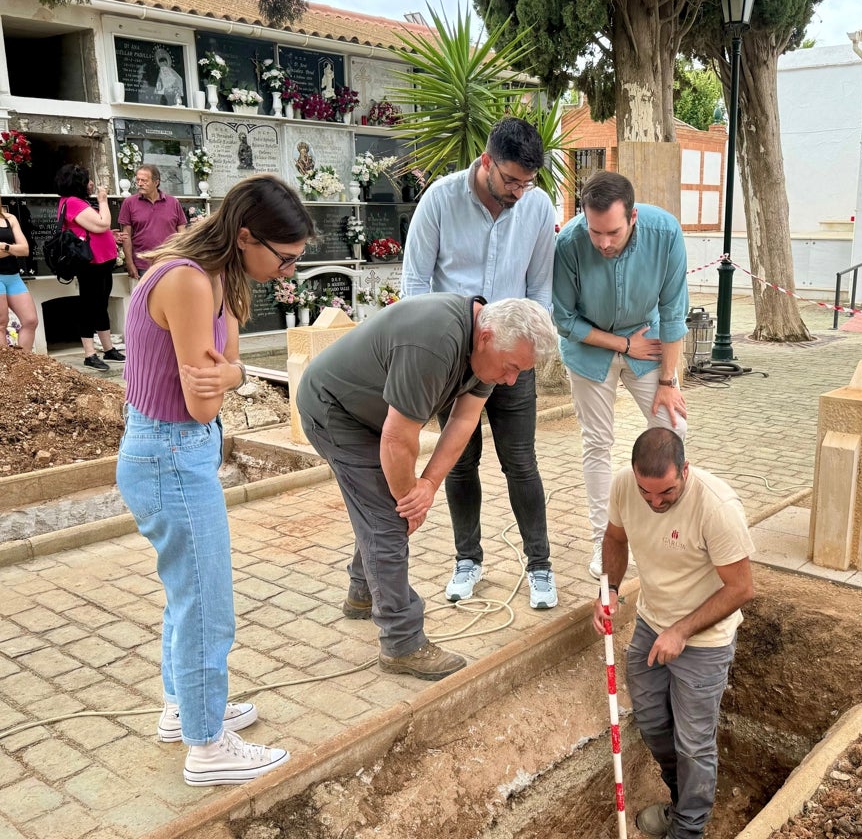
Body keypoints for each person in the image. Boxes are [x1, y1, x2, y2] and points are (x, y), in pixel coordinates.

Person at [116, 174, 312, 786]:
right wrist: (231, 376)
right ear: (247, 236)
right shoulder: (189, 282)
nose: (285, 273)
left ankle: (185, 709)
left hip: (173, 452)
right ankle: (207, 746)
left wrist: (225, 374)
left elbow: (219, 373)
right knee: (207, 605)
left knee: (189, 594)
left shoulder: (213, 278)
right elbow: (205, 400)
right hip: (171, 454)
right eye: (283, 259)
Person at [296, 294, 558, 680]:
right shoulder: (435, 342)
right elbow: (397, 440)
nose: (511, 380)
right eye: (511, 367)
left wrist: (430, 483)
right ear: (486, 337)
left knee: (381, 508)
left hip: (374, 416)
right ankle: (402, 642)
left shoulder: (487, 349)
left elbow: (464, 421)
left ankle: (364, 590)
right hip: (334, 411)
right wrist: (409, 500)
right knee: (388, 518)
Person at [400, 117, 558, 610]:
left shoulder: (536, 206)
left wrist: (526, 351)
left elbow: (540, 289)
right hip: (456, 361)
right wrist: (433, 359)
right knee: (460, 464)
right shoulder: (440, 201)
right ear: (486, 162)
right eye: (511, 179)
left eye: (527, 182)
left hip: (512, 358)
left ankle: (540, 566)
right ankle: (467, 559)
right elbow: (415, 288)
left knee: (521, 463)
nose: (518, 191)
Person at [592, 428, 754, 839]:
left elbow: (741, 588)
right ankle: (683, 803)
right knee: (651, 722)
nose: (655, 502)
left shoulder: (717, 508)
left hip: (704, 639)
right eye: (647, 494)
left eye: (665, 492)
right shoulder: (626, 487)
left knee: (694, 745)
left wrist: (681, 630)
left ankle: (687, 830)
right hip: (651, 623)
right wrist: (609, 589)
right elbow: (615, 537)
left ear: (685, 469)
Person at [552, 171, 689, 578]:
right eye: (595, 232)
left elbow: (674, 313)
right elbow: (564, 319)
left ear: (632, 216)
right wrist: (622, 346)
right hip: (589, 350)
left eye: (612, 232)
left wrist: (667, 381)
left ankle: (669, 533)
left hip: (648, 343)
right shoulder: (570, 243)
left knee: (673, 428)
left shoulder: (665, 232)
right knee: (598, 443)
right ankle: (603, 539)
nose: (603, 243)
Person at [55, 164, 123, 371]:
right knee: (89, 306)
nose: (91, 183)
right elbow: (101, 223)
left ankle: (108, 348)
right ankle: (89, 353)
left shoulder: (78, 202)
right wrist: (103, 201)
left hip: (102, 261)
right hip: (90, 263)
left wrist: (110, 236)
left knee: (101, 303)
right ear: (78, 183)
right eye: (87, 179)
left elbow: (95, 229)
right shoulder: (74, 203)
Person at [118, 164, 187, 282]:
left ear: (156, 182)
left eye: (144, 180)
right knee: (148, 300)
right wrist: (129, 263)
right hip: (143, 264)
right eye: (138, 180)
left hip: (170, 261)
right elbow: (126, 236)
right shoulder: (129, 203)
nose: (139, 183)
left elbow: (182, 233)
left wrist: (183, 258)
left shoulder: (173, 202)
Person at [0, 200, 37, 349]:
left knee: (30, 320)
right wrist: (13, 249)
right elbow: (18, 248)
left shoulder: (10, 218)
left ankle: (22, 365)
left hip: (13, 276)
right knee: (1, 324)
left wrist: (5, 246)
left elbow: (25, 250)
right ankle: (4, 369)